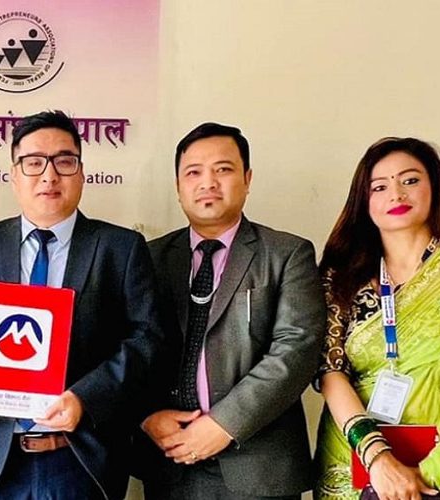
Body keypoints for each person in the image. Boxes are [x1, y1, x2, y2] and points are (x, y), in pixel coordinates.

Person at [0, 110, 163, 499]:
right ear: (14, 176)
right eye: (33, 163)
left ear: (81, 172)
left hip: (82, 461)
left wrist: (86, 398)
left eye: (64, 161)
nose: (49, 175)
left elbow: (147, 338)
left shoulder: (120, 248)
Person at [313, 137, 440, 500]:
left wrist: (431, 471)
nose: (396, 194)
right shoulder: (341, 278)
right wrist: (377, 457)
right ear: (364, 201)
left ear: (436, 188)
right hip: (354, 460)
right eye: (379, 187)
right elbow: (330, 371)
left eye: (410, 180)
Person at [135, 122, 326, 499]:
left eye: (222, 169)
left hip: (257, 465)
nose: (207, 182)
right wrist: (146, 416)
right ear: (178, 187)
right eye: (193, 173)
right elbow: (130, 345)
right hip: (170, 462)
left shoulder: (286, 254)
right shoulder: (149, 258)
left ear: (247, 178)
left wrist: (223, 424)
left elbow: (296, 349)